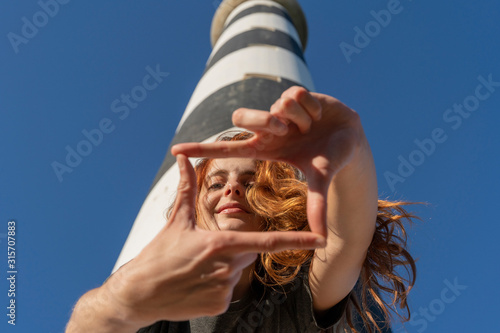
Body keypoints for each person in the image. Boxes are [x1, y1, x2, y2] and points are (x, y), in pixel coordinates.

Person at [66, 86, 416, 332]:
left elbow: (347, 238)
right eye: (216, 183)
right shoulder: (153, 288)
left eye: (251, 182)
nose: (232, 187)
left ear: (275, 201)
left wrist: (351, 146)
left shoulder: (294, 291)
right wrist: (115, 304)